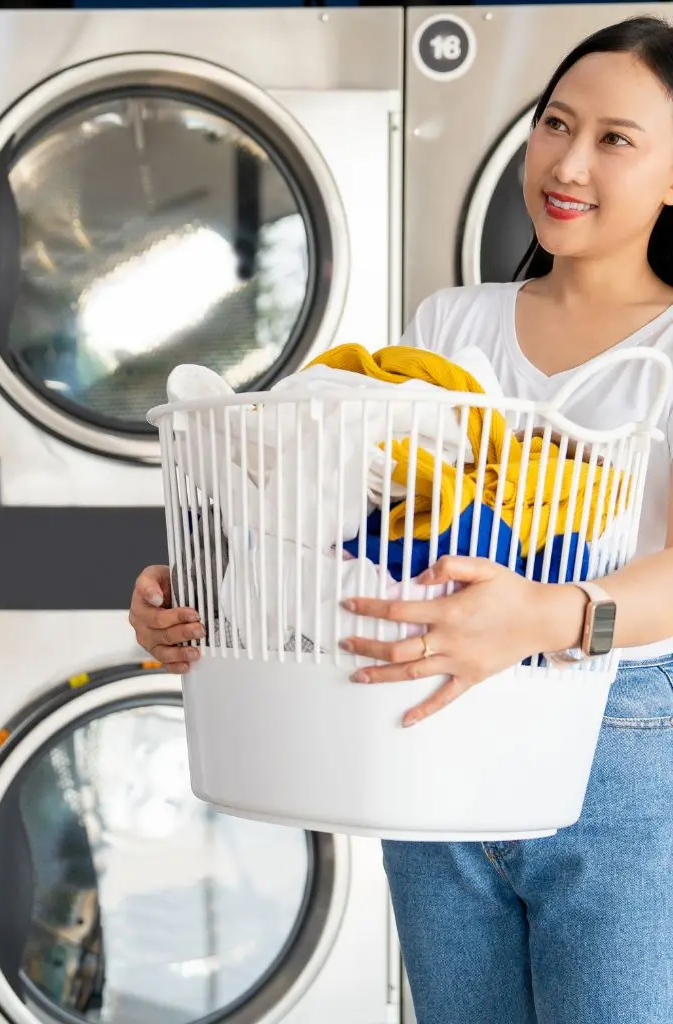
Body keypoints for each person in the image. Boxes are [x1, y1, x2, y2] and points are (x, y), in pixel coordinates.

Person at [128, 16, 673, 1023]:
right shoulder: (453, 324)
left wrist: (544, 615)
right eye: (556, 123)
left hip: (621, 739)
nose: (567, 163)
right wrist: (207, 590)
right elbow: (361, 520)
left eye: (615, 139)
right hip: (429, 721)